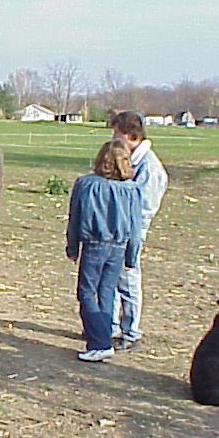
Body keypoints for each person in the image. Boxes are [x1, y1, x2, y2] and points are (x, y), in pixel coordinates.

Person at [66, 139, 142, 362]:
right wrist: (132, 255)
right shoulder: (132, 190)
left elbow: (75, 218)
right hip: (118, 247)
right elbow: (135, 228)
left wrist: (72, 247)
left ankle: (99, 343)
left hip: (94, 244)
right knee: (107, 292)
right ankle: (103, 335)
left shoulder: (86, 184)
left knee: (87, 293)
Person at [110, 111, 168, 349]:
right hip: (117, 229)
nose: (114, 138)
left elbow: (143, 208)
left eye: (116, 133)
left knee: (128, 279)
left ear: (129, 135)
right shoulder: (130, 160)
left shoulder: (150, 168)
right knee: (112, 279)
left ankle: (131, 331)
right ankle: (111, 327)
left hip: (130, 231)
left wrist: (129, 235)